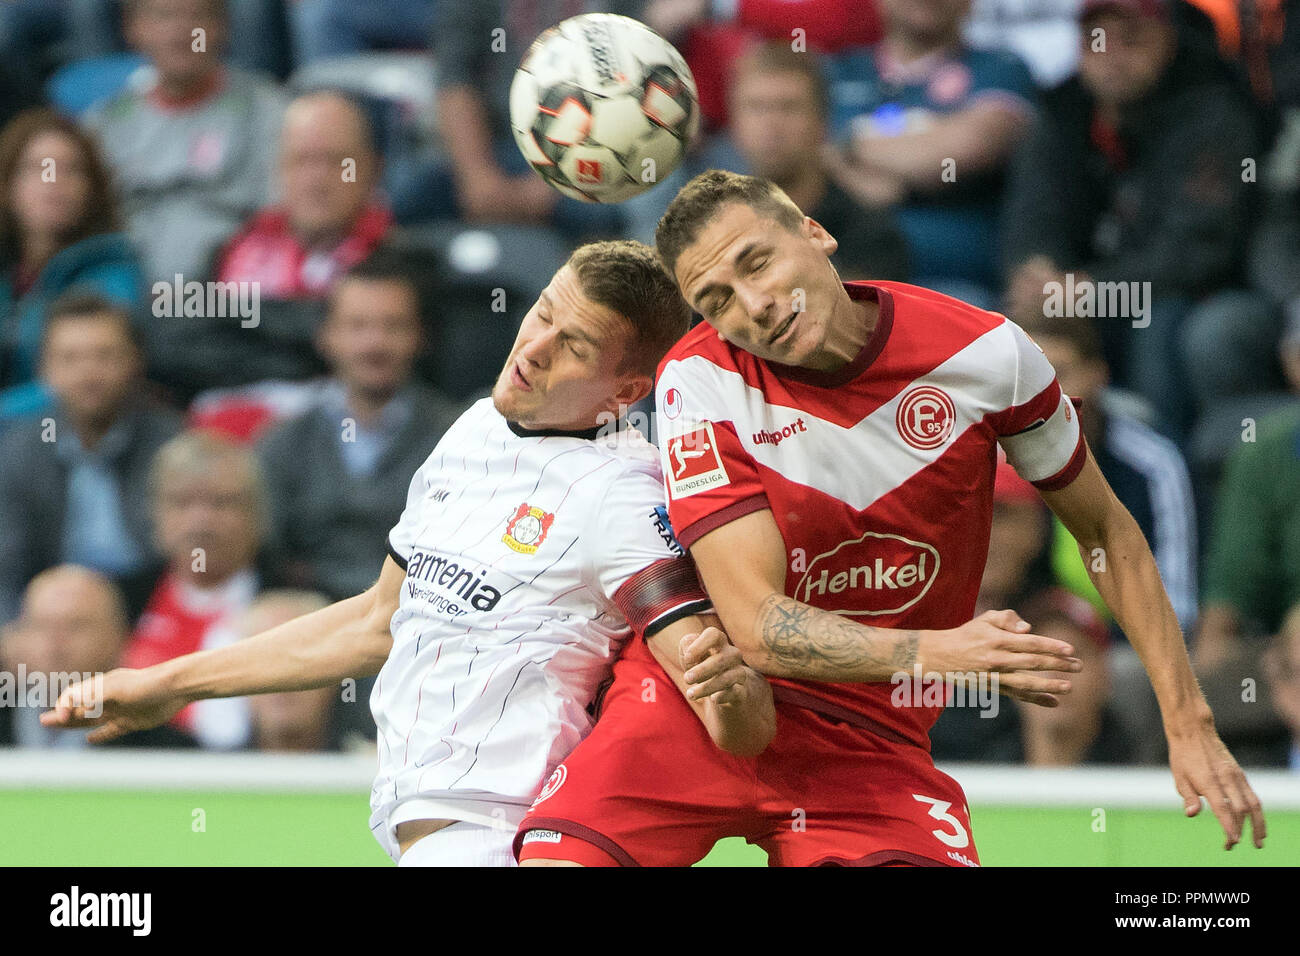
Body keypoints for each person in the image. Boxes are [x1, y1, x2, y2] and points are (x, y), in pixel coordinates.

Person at [514, 169, 1264, 866]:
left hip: (869, 741)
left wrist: (1188, 719)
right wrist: (938, 654)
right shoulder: (701, 377)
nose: (755, 306)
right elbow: (757, 626)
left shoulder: (988, 356)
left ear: (815, 232)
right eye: (717, 301)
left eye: (757, 263)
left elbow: (1104, 532)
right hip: (701, 707)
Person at [43, 240, 779, 866]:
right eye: (544, 313)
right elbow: (374, 623)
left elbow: (735, 723)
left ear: (627, 390)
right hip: (421, 828)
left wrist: (730, 688)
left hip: (499, 833)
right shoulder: (475, 429)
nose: (534, 349)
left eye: (574, 346)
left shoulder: (620, 495)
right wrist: (167, 685)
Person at [822, 0, 1036, 303]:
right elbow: (807, 157)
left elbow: (964, 149)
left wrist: (848, 145)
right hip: (850, 280)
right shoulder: (836, 72)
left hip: (963, 290)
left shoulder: (1001, 67)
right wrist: (920, 153)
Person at [0, 292, 181, 623]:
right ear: (44, 370)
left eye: (104, 355)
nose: (88, 372)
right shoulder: (18, 452)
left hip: (152, 610)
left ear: (135, 361)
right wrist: (12, 633)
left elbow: (190, 561)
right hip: (57, 615)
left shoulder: (172, 444)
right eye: (70, 358)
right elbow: (6, 569)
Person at [83, 0, 286, 288]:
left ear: (222, 28)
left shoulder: (268, 112)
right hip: (125, 297)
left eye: (197, 16)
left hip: (232, 295)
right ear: (134, 28)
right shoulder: (104, 123)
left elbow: (281, 220)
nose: (182, 32)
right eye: (164, 15)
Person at [119, 430, 267, 750]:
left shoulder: (293, 603)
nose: (200, 521)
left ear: (256, 515)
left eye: (221, 503)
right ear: (155, 514)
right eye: (182, 503)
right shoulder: (120, 602)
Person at [724, 41, 908, 282]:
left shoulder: (869, 234)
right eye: (757, 107)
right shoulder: (710, 234)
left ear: (822, 122)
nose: (771, 125)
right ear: (733, 122)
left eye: (788, 108)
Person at [0, 108, 144, 416]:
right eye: (37, 168)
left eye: (71, 169)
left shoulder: (114, 276)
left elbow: (80, 386)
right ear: (8, 185)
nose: (53, 181)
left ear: (93, 190)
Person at [0, 565, 195, 748]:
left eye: (75, 626)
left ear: (116, 637)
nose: (55, 643)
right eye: (41, 626)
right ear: (18, 636)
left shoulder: (164, 747)